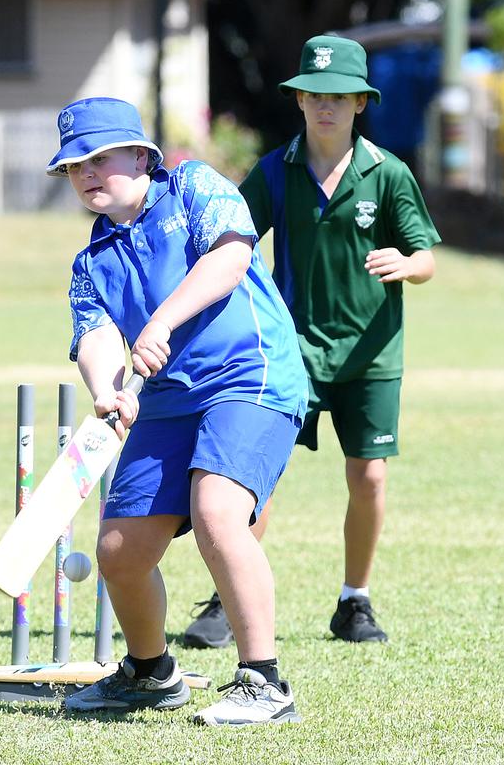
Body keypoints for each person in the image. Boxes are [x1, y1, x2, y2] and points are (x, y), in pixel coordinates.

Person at [46, 97, 309, 725]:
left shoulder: (192, 187)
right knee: (119, 550)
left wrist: (162, 321)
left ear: (141, 155)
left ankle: (263, 682)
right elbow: (96, 337)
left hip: (249, 376)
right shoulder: (91, 262)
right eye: (73, 167)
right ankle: (149, 673)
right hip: (166, 402)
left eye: (98, 159)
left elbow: (231, 255)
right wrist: (108, 390)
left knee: (218, 511)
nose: (85, 175)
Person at [183, 35, 440, 648]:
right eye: (314, 95)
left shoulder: (389, 173)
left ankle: (355, 601)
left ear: (359, 103)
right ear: (299, 102)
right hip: (288, 350)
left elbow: (427, 255)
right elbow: (231, 243)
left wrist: (407, 266)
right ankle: (227, 598)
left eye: (339, 97)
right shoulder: (275, 172)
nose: (325, 106)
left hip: (372, 354)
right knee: (257, 475)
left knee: (369, 477)